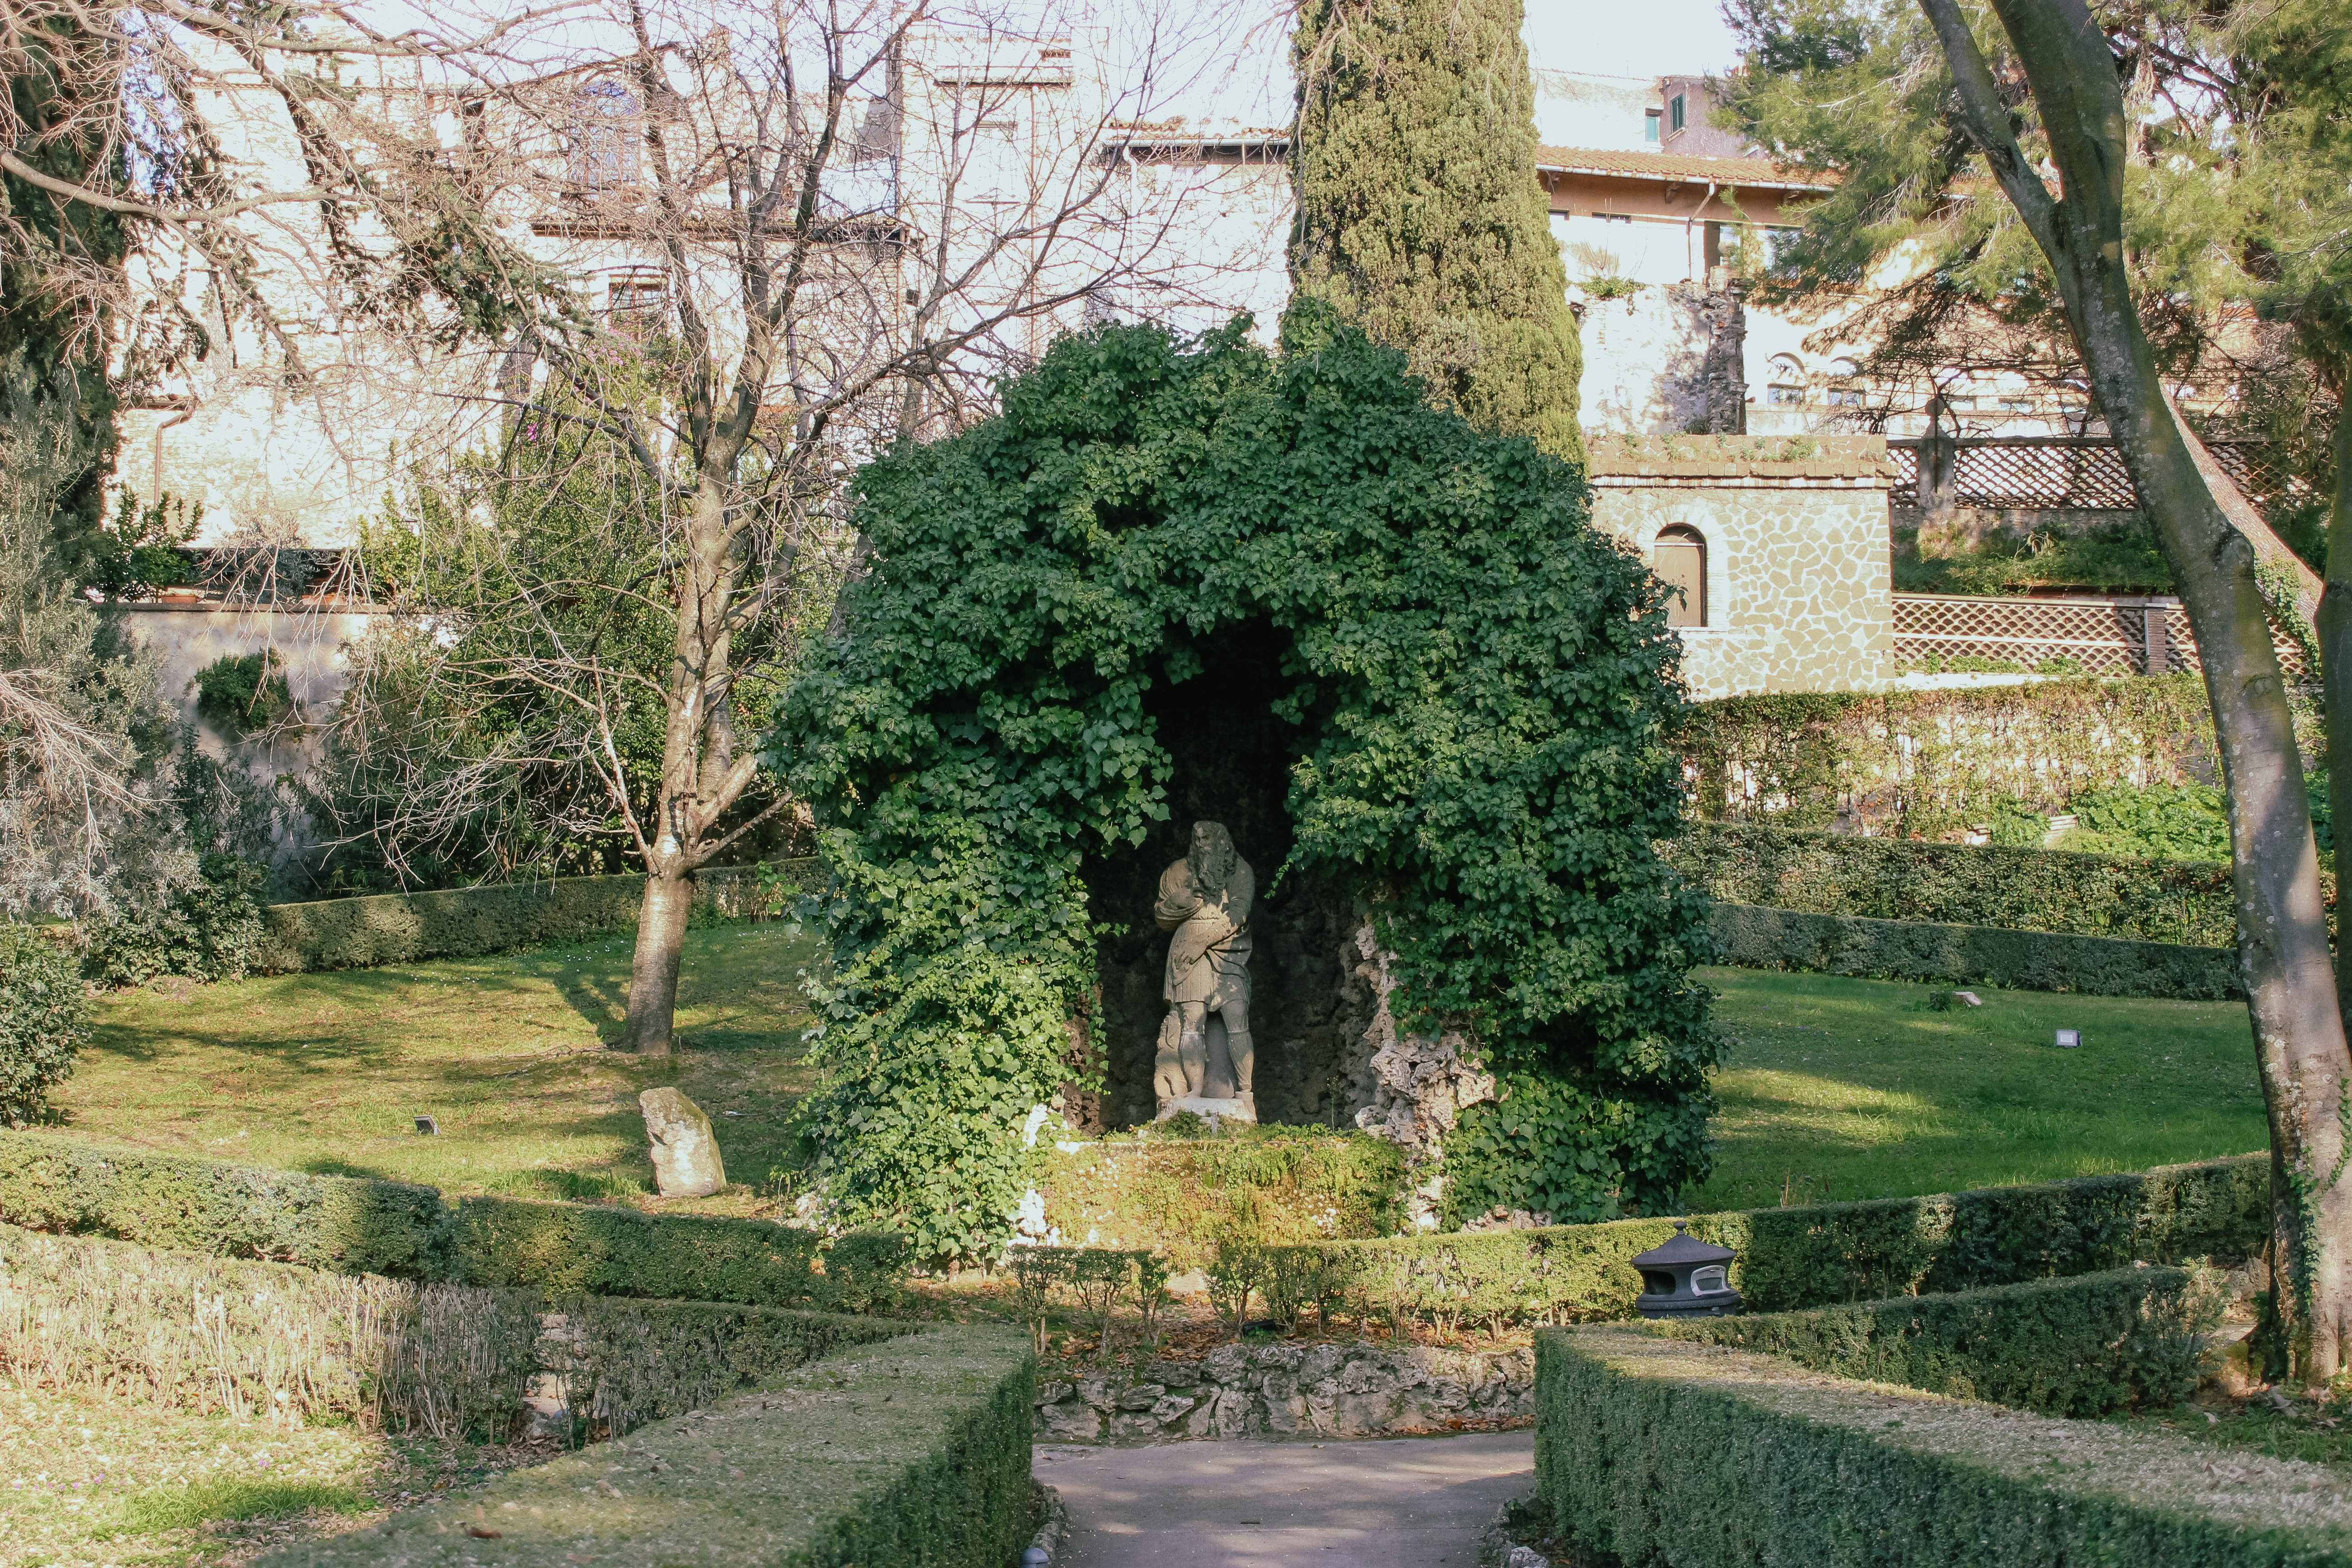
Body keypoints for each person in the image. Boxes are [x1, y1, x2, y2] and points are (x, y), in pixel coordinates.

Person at [1152, 819, 1254, 1112]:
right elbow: (1161, 914)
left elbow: (1240, 911)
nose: (1201, 844)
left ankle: (1246, 1095)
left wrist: (1204, 941)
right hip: (1188, 952)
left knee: (1236, 1016)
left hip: (1228, 950)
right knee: (1191, 1022)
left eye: (1208, 839)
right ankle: (1194, 1091)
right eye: (1197, 839)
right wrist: (1183, 901)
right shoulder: (1178, 871)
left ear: (1223, 841)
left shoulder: (1239, 870)